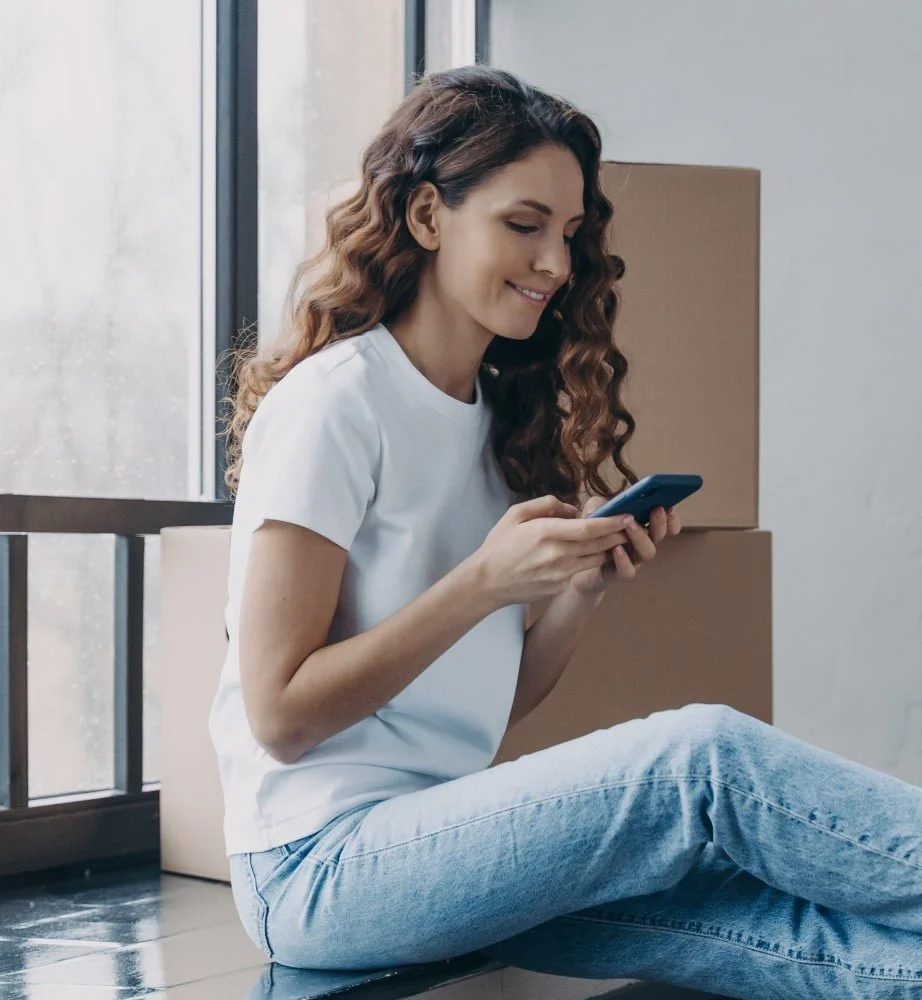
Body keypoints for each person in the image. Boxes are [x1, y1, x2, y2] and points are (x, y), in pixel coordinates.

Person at [209, 66, 922, 997]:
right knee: (701, 761)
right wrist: (483, 582)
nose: (556, 261)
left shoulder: (491, 423)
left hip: (439, 837)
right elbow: (282, 715)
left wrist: (576, 590)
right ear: (428, 217)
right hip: (316, 868)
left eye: (571, 234)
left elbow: (484, 711)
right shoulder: (335, 406)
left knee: (791, 932)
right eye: (524, 224)